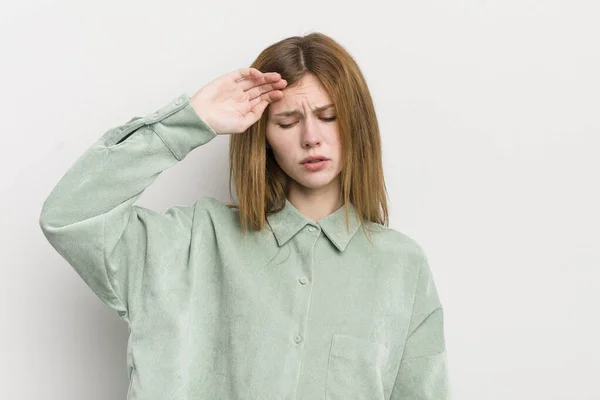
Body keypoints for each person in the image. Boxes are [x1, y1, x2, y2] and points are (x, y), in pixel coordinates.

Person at [39, 32, 450, 399]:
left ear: (358, 124)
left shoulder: (402, 268)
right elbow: (72, 216)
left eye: (329, 117)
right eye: (288, 121)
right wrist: (188, 123)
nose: (311, 137)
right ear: (264, 136)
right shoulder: (191, 243)